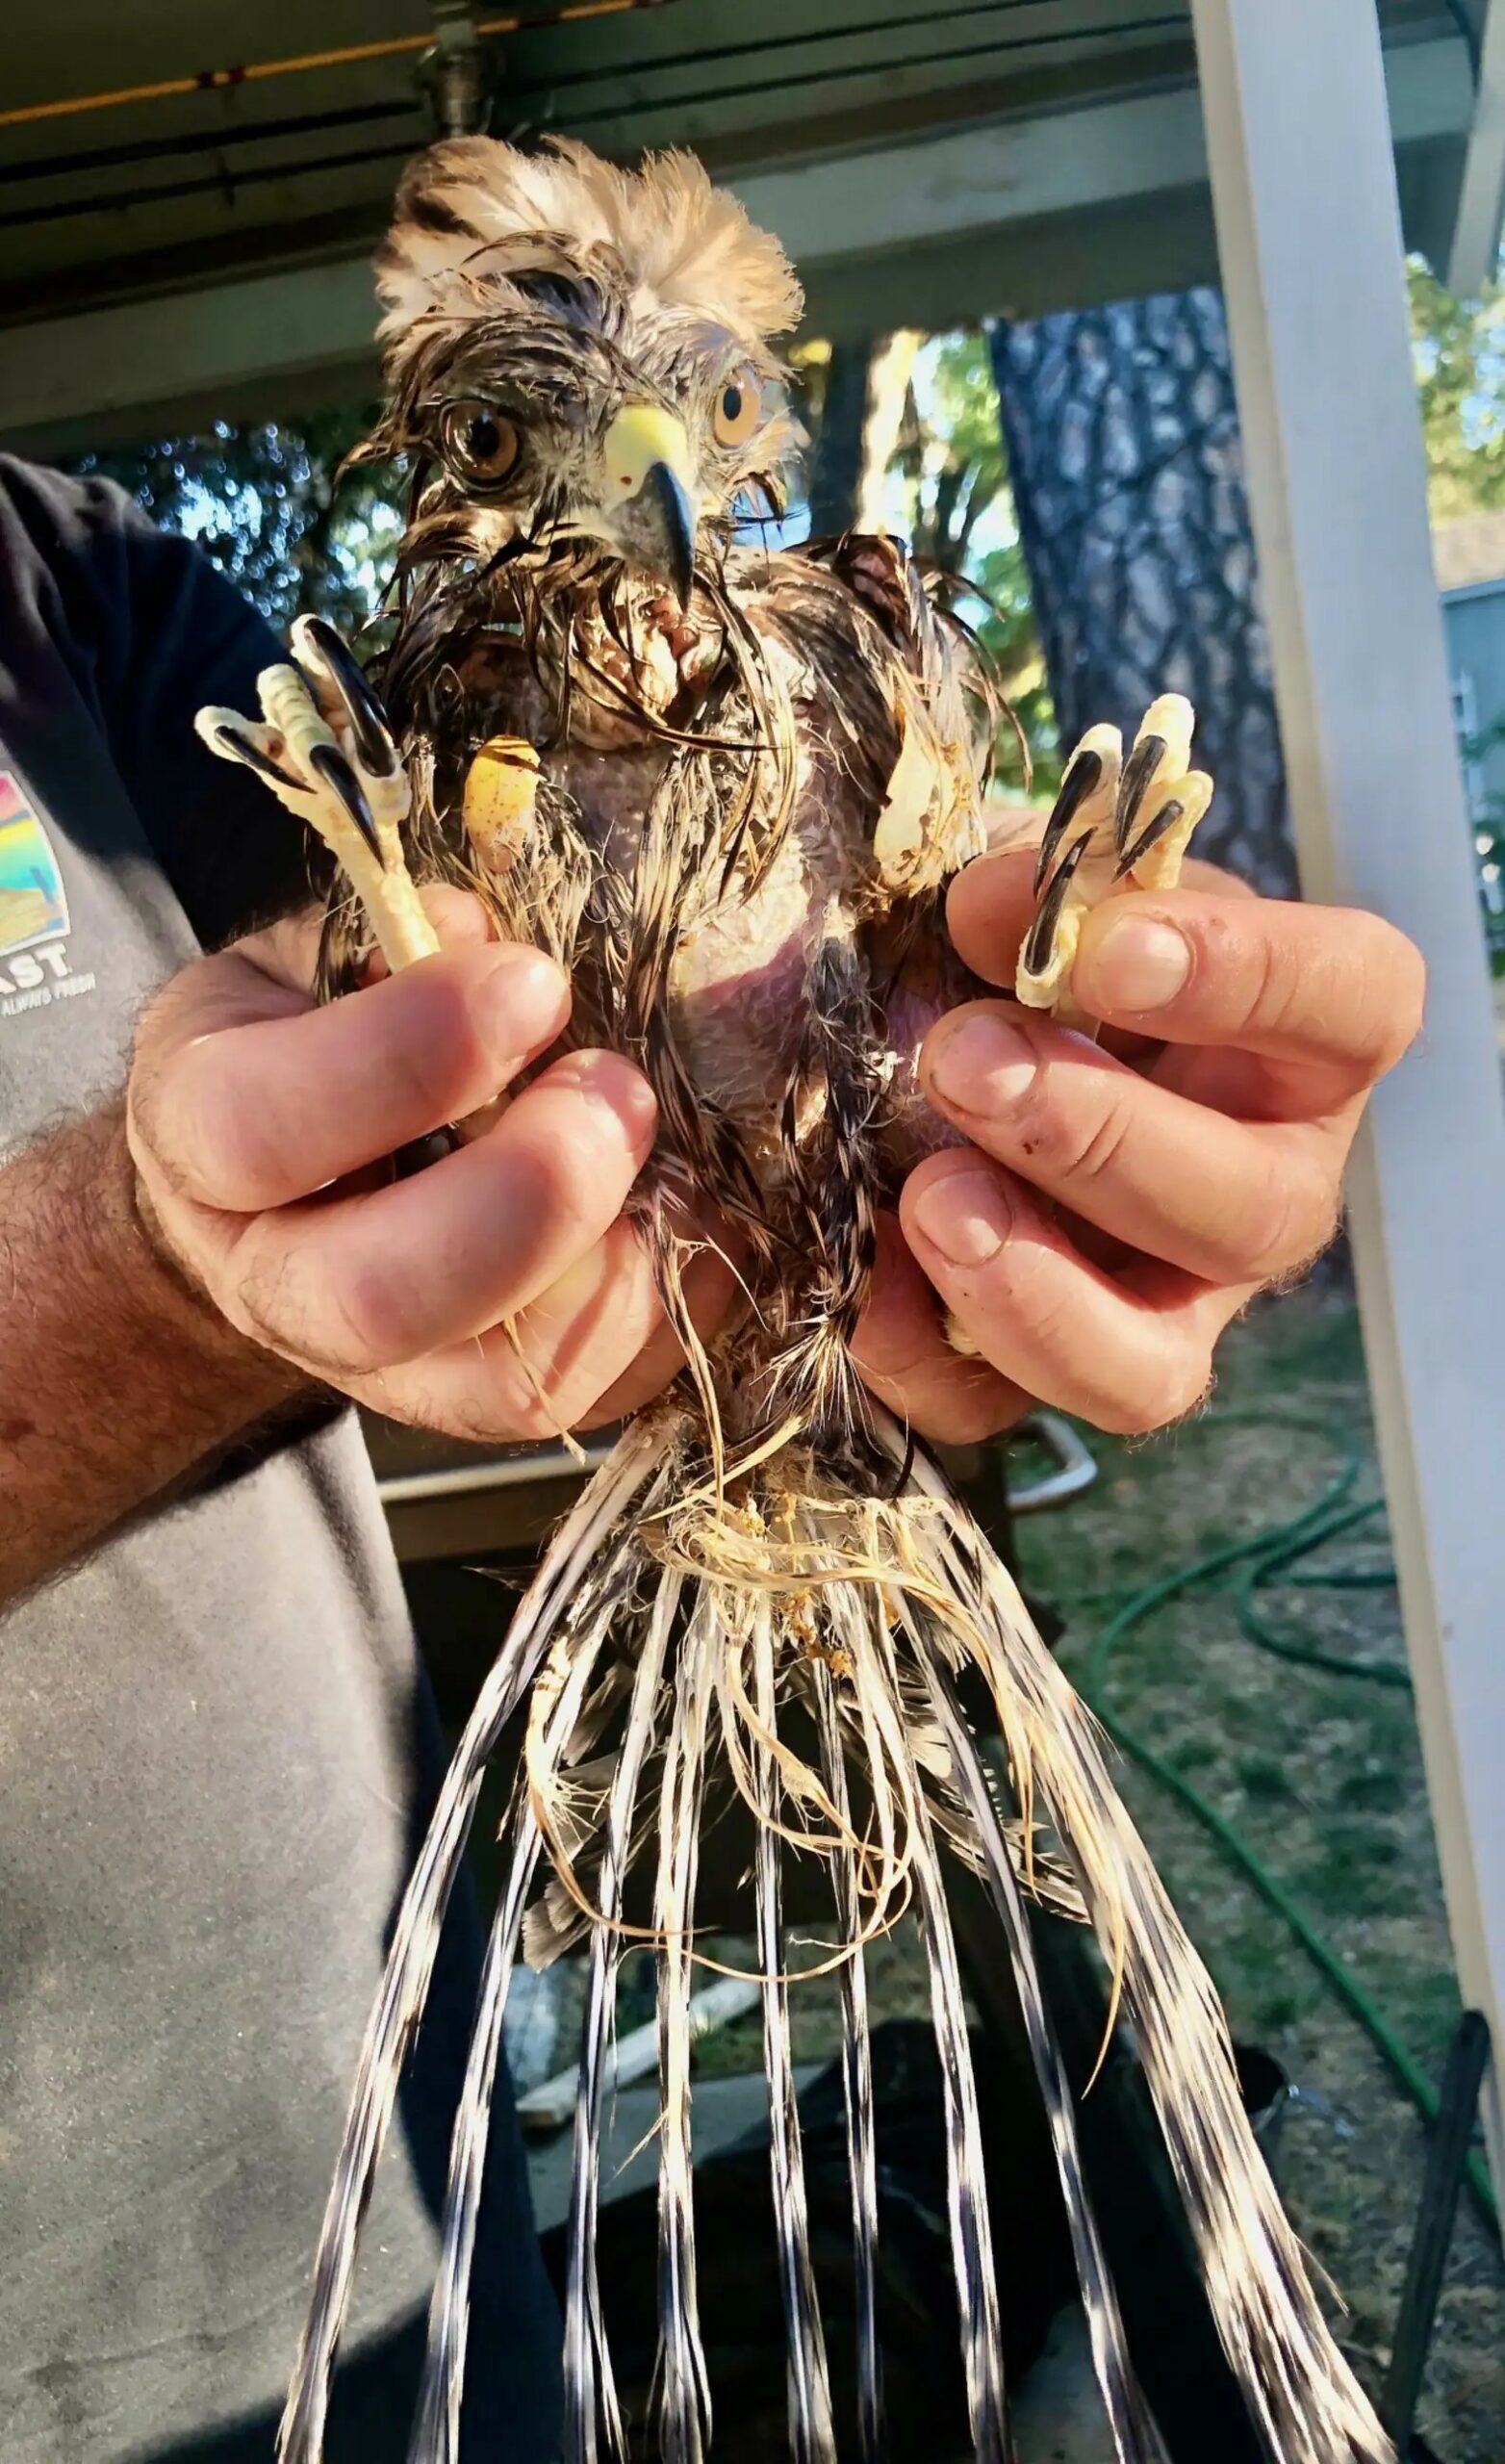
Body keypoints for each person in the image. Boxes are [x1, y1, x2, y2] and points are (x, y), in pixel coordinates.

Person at [0, 450, 1424, 2461]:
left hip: (397, 2183)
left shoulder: (67, 581)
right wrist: (157, 1262)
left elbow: (359, 973)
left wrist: (1058, 1050)